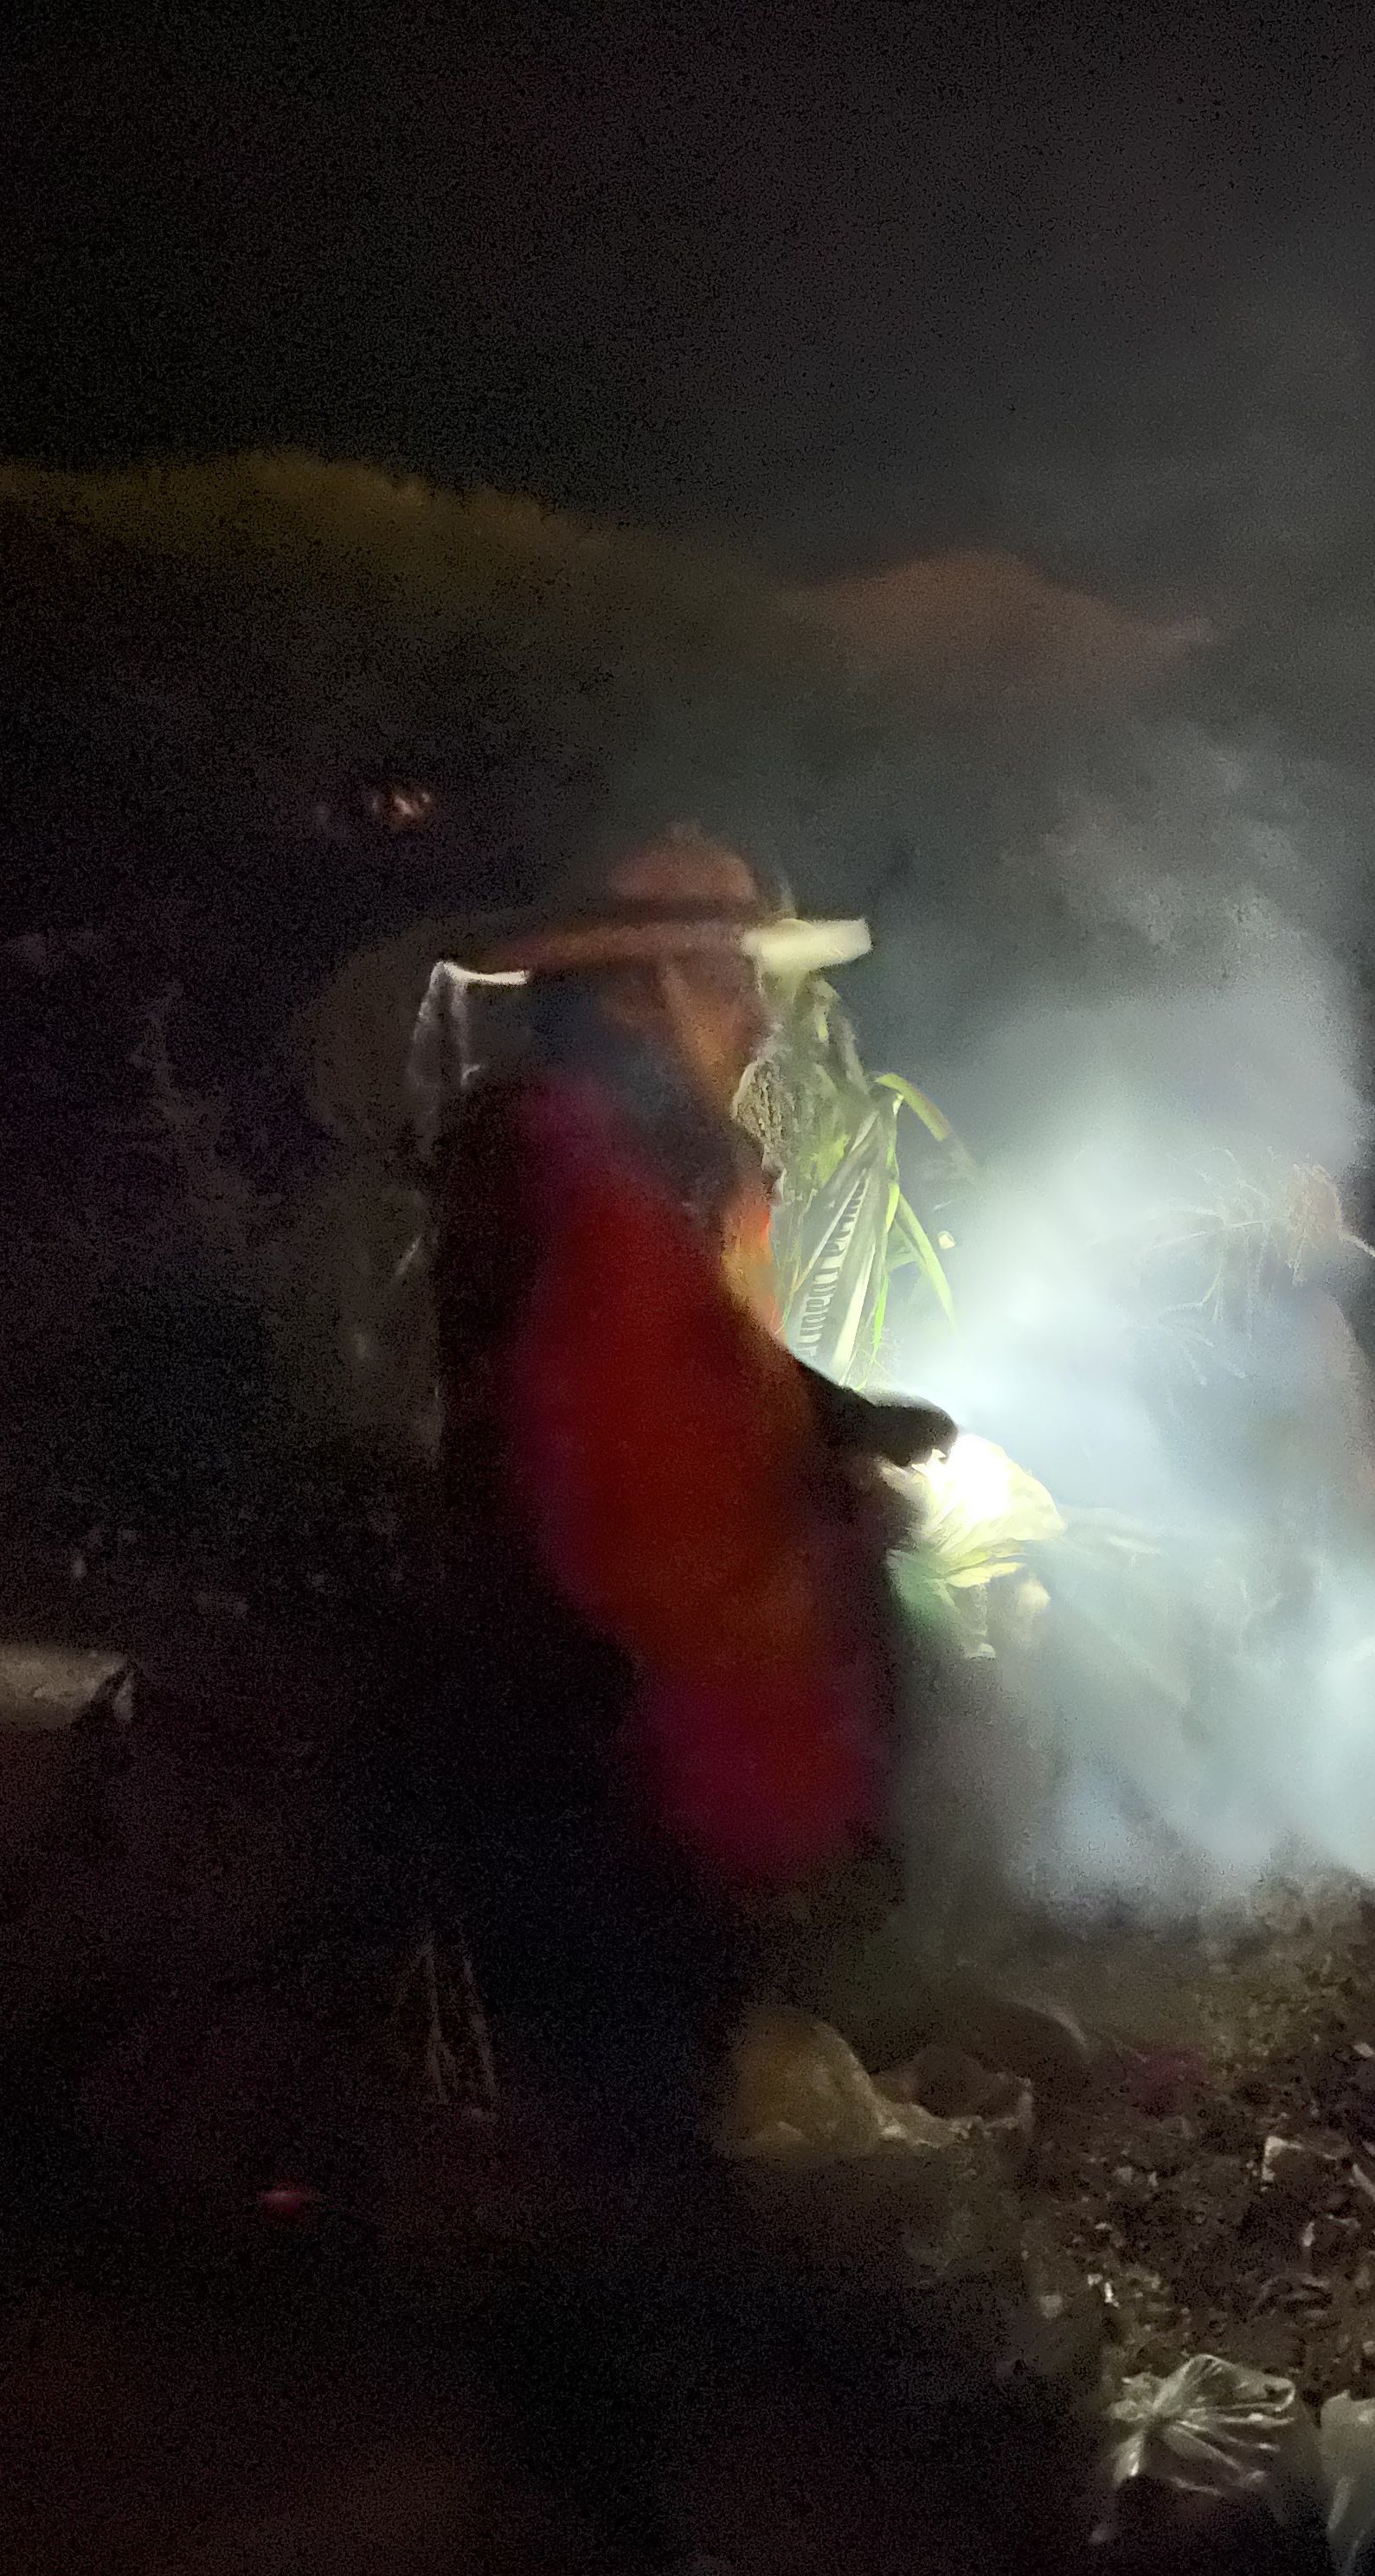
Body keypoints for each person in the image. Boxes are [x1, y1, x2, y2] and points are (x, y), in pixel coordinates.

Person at [414, 828, 956, 2561]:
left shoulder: (614, 1158)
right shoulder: (585, 1167)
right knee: (620, 2122)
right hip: (596, 1735)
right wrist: (827, 1518)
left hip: (586, 1720)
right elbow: (641, 1496)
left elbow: (690, 1371)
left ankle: (596, 2439)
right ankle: (593, 2503)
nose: (759, 1015)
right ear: (645, 987)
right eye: (730, 977)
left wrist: (837, 1414)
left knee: (632, 2105)